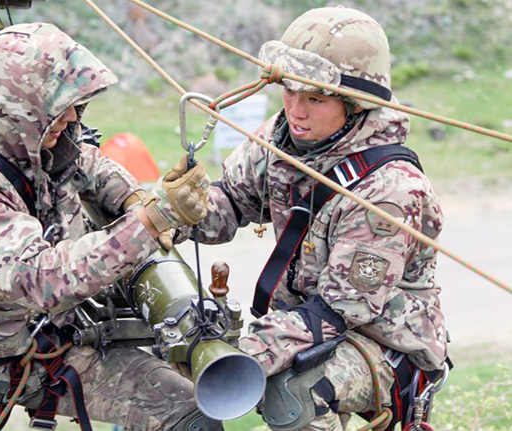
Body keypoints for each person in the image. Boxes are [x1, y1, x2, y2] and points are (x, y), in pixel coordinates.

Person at [0, 23, 219, 431]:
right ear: (16, 108)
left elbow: (88, 166)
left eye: (74, 105)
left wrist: (136, 200)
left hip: (47, 348)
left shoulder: (38, 141)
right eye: (57, 106)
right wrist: (150, 222)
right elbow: (38, 278)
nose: (71, 117)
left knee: (188, 414)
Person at [183, 7, 448, 431]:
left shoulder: (391, 191)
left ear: (355, 105)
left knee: (295, 393)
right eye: (289, 91)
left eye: (315, 99)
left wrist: (248, 349)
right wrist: (174, 211)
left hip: (381, 341)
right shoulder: (283, 137)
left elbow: (340, 311)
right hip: (304, 319)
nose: (296, 110)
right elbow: (231, 203)